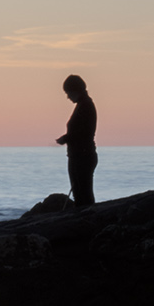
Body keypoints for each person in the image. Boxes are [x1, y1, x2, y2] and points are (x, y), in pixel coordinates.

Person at [56, 74, 97, 207]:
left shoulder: (85, 105)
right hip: (79, 155)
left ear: (75, 91)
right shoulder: (83, 105)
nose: (68, 97)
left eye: (68, 93)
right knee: (80, 193)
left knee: (83, 194)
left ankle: (86, 221)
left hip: (82, 156)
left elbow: (84, 132)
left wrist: (66, 138)